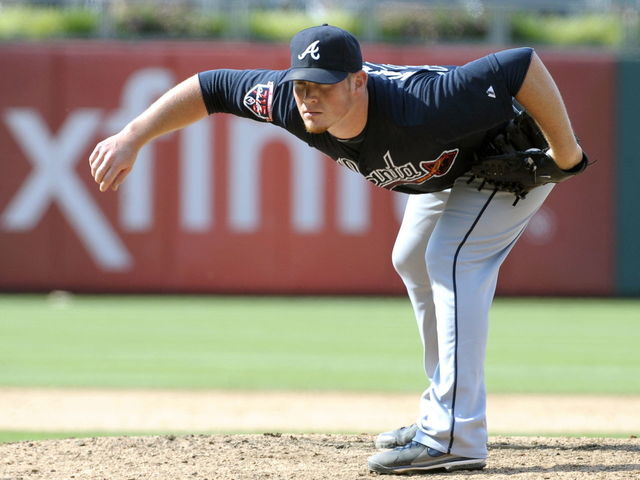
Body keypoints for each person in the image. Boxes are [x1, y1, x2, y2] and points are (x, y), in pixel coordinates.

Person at [89, 25, 586, 474]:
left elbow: (520, 63)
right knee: (412, 258)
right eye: (303, 83)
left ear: (359, 80)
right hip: (450, 168)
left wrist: (566, 155)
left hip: (512, 153)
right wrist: (133, 135)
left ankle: (454, 437)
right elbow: (210, 87)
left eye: (324, 84)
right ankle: (441, 412)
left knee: (451, 259)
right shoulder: (287, 101)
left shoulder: (425, 104)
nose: (310, 97)